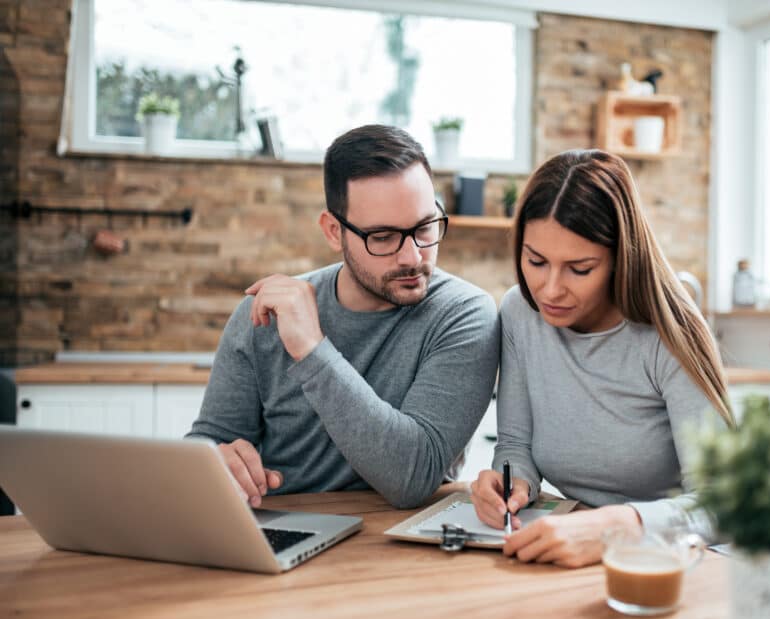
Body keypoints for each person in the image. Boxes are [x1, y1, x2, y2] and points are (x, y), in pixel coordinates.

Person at [188, 124, 500, 509]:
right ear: (334, 232)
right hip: (279, 532)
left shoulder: (464, 315)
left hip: (402, 546)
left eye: (424, 227)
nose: (413, 256)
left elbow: (412, 476)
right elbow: (209, 442)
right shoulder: (264, 315)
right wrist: (213, 462)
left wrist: (311, 348)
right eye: (383, 237)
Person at [470, 149, 734, 568]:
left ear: (620, 260)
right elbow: (515, 445)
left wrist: (622, 524)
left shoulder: (669, 333)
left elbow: (725, 503)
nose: (550, 290)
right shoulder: (520, 313)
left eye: (579, 268)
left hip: (670, 561)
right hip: (573, 551)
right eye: (536, 261)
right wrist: (511, 484)